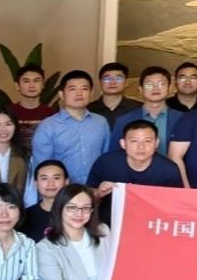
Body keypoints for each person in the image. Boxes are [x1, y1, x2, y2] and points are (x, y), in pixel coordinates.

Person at [26, 70, 112, 204]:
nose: (79, 93)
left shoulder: (101, 122)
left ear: (91, 93)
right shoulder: (48, 126)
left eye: (84, 89)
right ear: (61, 94)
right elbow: (42, 167)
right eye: (73, 89)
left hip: (96, 195)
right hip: (61, 197)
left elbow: (106, 158)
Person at [88, 119, 184, 223]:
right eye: (134, 141)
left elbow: (177, 205)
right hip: (110, 222)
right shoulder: (106, 162)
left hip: (152, 222)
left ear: (156, 143)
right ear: (123, 143)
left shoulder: (169, 169)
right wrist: (98, 193)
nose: (141, 147)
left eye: (147, 141)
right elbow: (87, 197)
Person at [112, 66, 183, 157]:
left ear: (170, 88)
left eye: (161, 84)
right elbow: (115, 156)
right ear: (141, 89)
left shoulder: (183, 119)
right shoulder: (123, 121)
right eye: (149, 85)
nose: (155, 88)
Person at [9, 63, 56, 152]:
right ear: (17, 86)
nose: (32, 85)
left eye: (36, 81)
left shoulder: (52, 114)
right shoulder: (8, 112)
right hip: (14, 159)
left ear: (43, 85)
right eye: (26, 81)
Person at [21, 160, 69, 242]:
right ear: (36, 184)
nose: (51, 183)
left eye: (56, 178)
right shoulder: (24, 216)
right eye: (44, 178)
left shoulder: (78, 212)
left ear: (66, 182)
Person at [86, 62, 142, 131]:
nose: (113, 82)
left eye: (118, 78)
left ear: (126, 82)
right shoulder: (88, 110)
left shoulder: (139, 108)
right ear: (100, 82)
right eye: (107, 79)